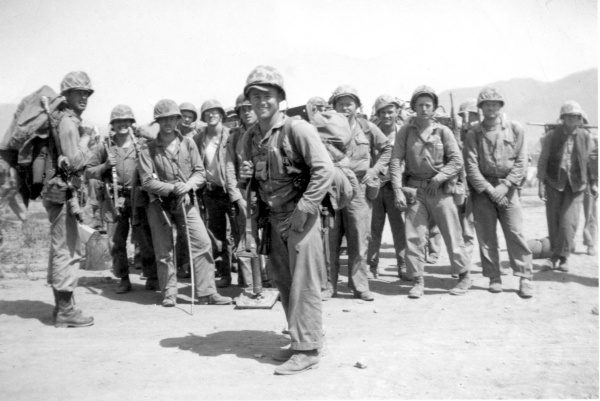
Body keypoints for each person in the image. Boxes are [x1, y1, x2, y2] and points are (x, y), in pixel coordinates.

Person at [239, 65, 334, 375]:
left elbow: (324, 169)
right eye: (255, 96)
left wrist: (304, 208)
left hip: (300, 216)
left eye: (267, 95)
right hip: (272, 218)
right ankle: (301, 341)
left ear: (280, 97)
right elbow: (255, 180)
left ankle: (308, 351)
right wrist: (246, 178)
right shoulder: (251, 137)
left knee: (304, 284)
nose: (261, 101)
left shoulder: (297, 129)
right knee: (284, 282)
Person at [137, 99, 232, 307]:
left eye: (172, 118)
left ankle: (207, 292)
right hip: (158, 203)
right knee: (164, 250)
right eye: (164, 119)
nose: (168, 123)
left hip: (185, 200)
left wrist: (188, 186)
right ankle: (170, 293)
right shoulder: (148, 149)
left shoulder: (188, 144)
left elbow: (199, 172)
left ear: (177, 120)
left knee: (202, 242)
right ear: (158, 121)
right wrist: (172, 188)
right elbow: (147, 181)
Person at [390, 85, 471, 299]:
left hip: (440, 192)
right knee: (414, 237)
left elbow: (457, 161)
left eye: (428, 105)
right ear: (414, 107)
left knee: (452, 233)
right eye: (420, 105)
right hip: (415, 191)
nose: (424, 109)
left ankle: (464, 275)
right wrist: (397, 190)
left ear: (434, 107)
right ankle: (418, 280)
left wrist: (439, 178)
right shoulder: (405, 132)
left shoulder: (443, 132)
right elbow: (396, 161)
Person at [464, 87, 533, 297]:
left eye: (495, 104)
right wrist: (490, 190)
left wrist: (506, 185)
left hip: (508, 189)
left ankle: (525, 277)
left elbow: (521, 161)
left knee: (515, 232)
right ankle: (494, 277)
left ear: (500, 106)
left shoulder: (515, 129)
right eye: (487, 104)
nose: (491, 108)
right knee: (486, 236)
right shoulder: (473, 134)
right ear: (481, 107)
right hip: (483, 191)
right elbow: (471, 167)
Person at [328, 85, 391, 301]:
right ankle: (328, 285)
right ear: (334, 106)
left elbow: (387, 149)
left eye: (349, 103)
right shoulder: (326, 128)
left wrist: (375, 170)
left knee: (359, 238)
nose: (345, 108)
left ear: (357, 106)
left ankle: (360, 285)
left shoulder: (367, 128)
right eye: (341, 104)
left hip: (359, 190)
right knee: (330, 239)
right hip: (333, 189)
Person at [86, 105, 158, 294]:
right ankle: (123, 278)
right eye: (118, 121)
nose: (122, 124)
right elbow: (89, 171)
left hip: (138, 198)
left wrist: (144, 133)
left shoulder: (141, 144)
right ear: (113, 124)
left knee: (145, 239)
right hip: (113, 200)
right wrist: (104, 166)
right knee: (116, 242)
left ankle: (152, 277)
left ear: (132, 123)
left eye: (126, 121)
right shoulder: (105, 146)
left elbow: (157, 147)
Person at [42, 71, 94, 327]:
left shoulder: (64, 120)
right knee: (66, 249)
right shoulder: (68, 123)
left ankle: (63, 307)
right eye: (78, 93)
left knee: (62, 247)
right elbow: (74, 163)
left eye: (86, 93)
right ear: (67, 96)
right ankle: (65, 311)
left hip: (60, 191)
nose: (83, 97)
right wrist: (86, 139)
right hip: (63, 193)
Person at [537, 100, 598, 271]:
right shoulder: (551, 136)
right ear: (562, 118)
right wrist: (541, 183)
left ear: (580, 118)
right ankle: (556, 256)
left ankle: (562, 257)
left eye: (576, 116)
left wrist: (594, 182)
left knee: (568, 222)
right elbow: (543, 159)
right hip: (554, 182)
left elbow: (591, 161)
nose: (573, 119)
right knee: (553, 220)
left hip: (577, 185)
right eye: (569, 116)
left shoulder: (586, 137)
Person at [193, 99, 237, 288]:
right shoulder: (198, 139)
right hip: (211, 193)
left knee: (240, 234)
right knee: (217, 237)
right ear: (203, 116)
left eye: (215, 111)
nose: (211, 115)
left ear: (221, 114)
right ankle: (224, 275)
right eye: (207, 112)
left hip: (231, 192)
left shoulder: (231, 135)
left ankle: (247, 279)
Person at [366, 94, 408, 281]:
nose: (387, 116)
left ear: (397, 112)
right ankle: (372, 265)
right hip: (376, 187)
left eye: (390, 111)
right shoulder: (372, 132)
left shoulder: (403, 132)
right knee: (373, 229)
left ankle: (403, 265)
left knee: (399, 228)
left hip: (396, 187)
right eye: (382, 112)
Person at [225, 94, 258, 289]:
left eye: (250, 108)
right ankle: (249, 286)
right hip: (244, 196)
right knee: (246, 241)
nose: (247, 112)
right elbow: (230, 169)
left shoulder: (268, 132)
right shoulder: (234, 137)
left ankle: (270, 283)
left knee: (270, 241)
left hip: (268, 196)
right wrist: (238, 199)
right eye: (243, 109)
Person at [582, 131, 598, 256]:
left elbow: (592, 162)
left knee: (590, 213)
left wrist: (593, 182)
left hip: (587, 181)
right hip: (569, 181)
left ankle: (590, 243)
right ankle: (565, 245)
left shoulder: (591, 139)